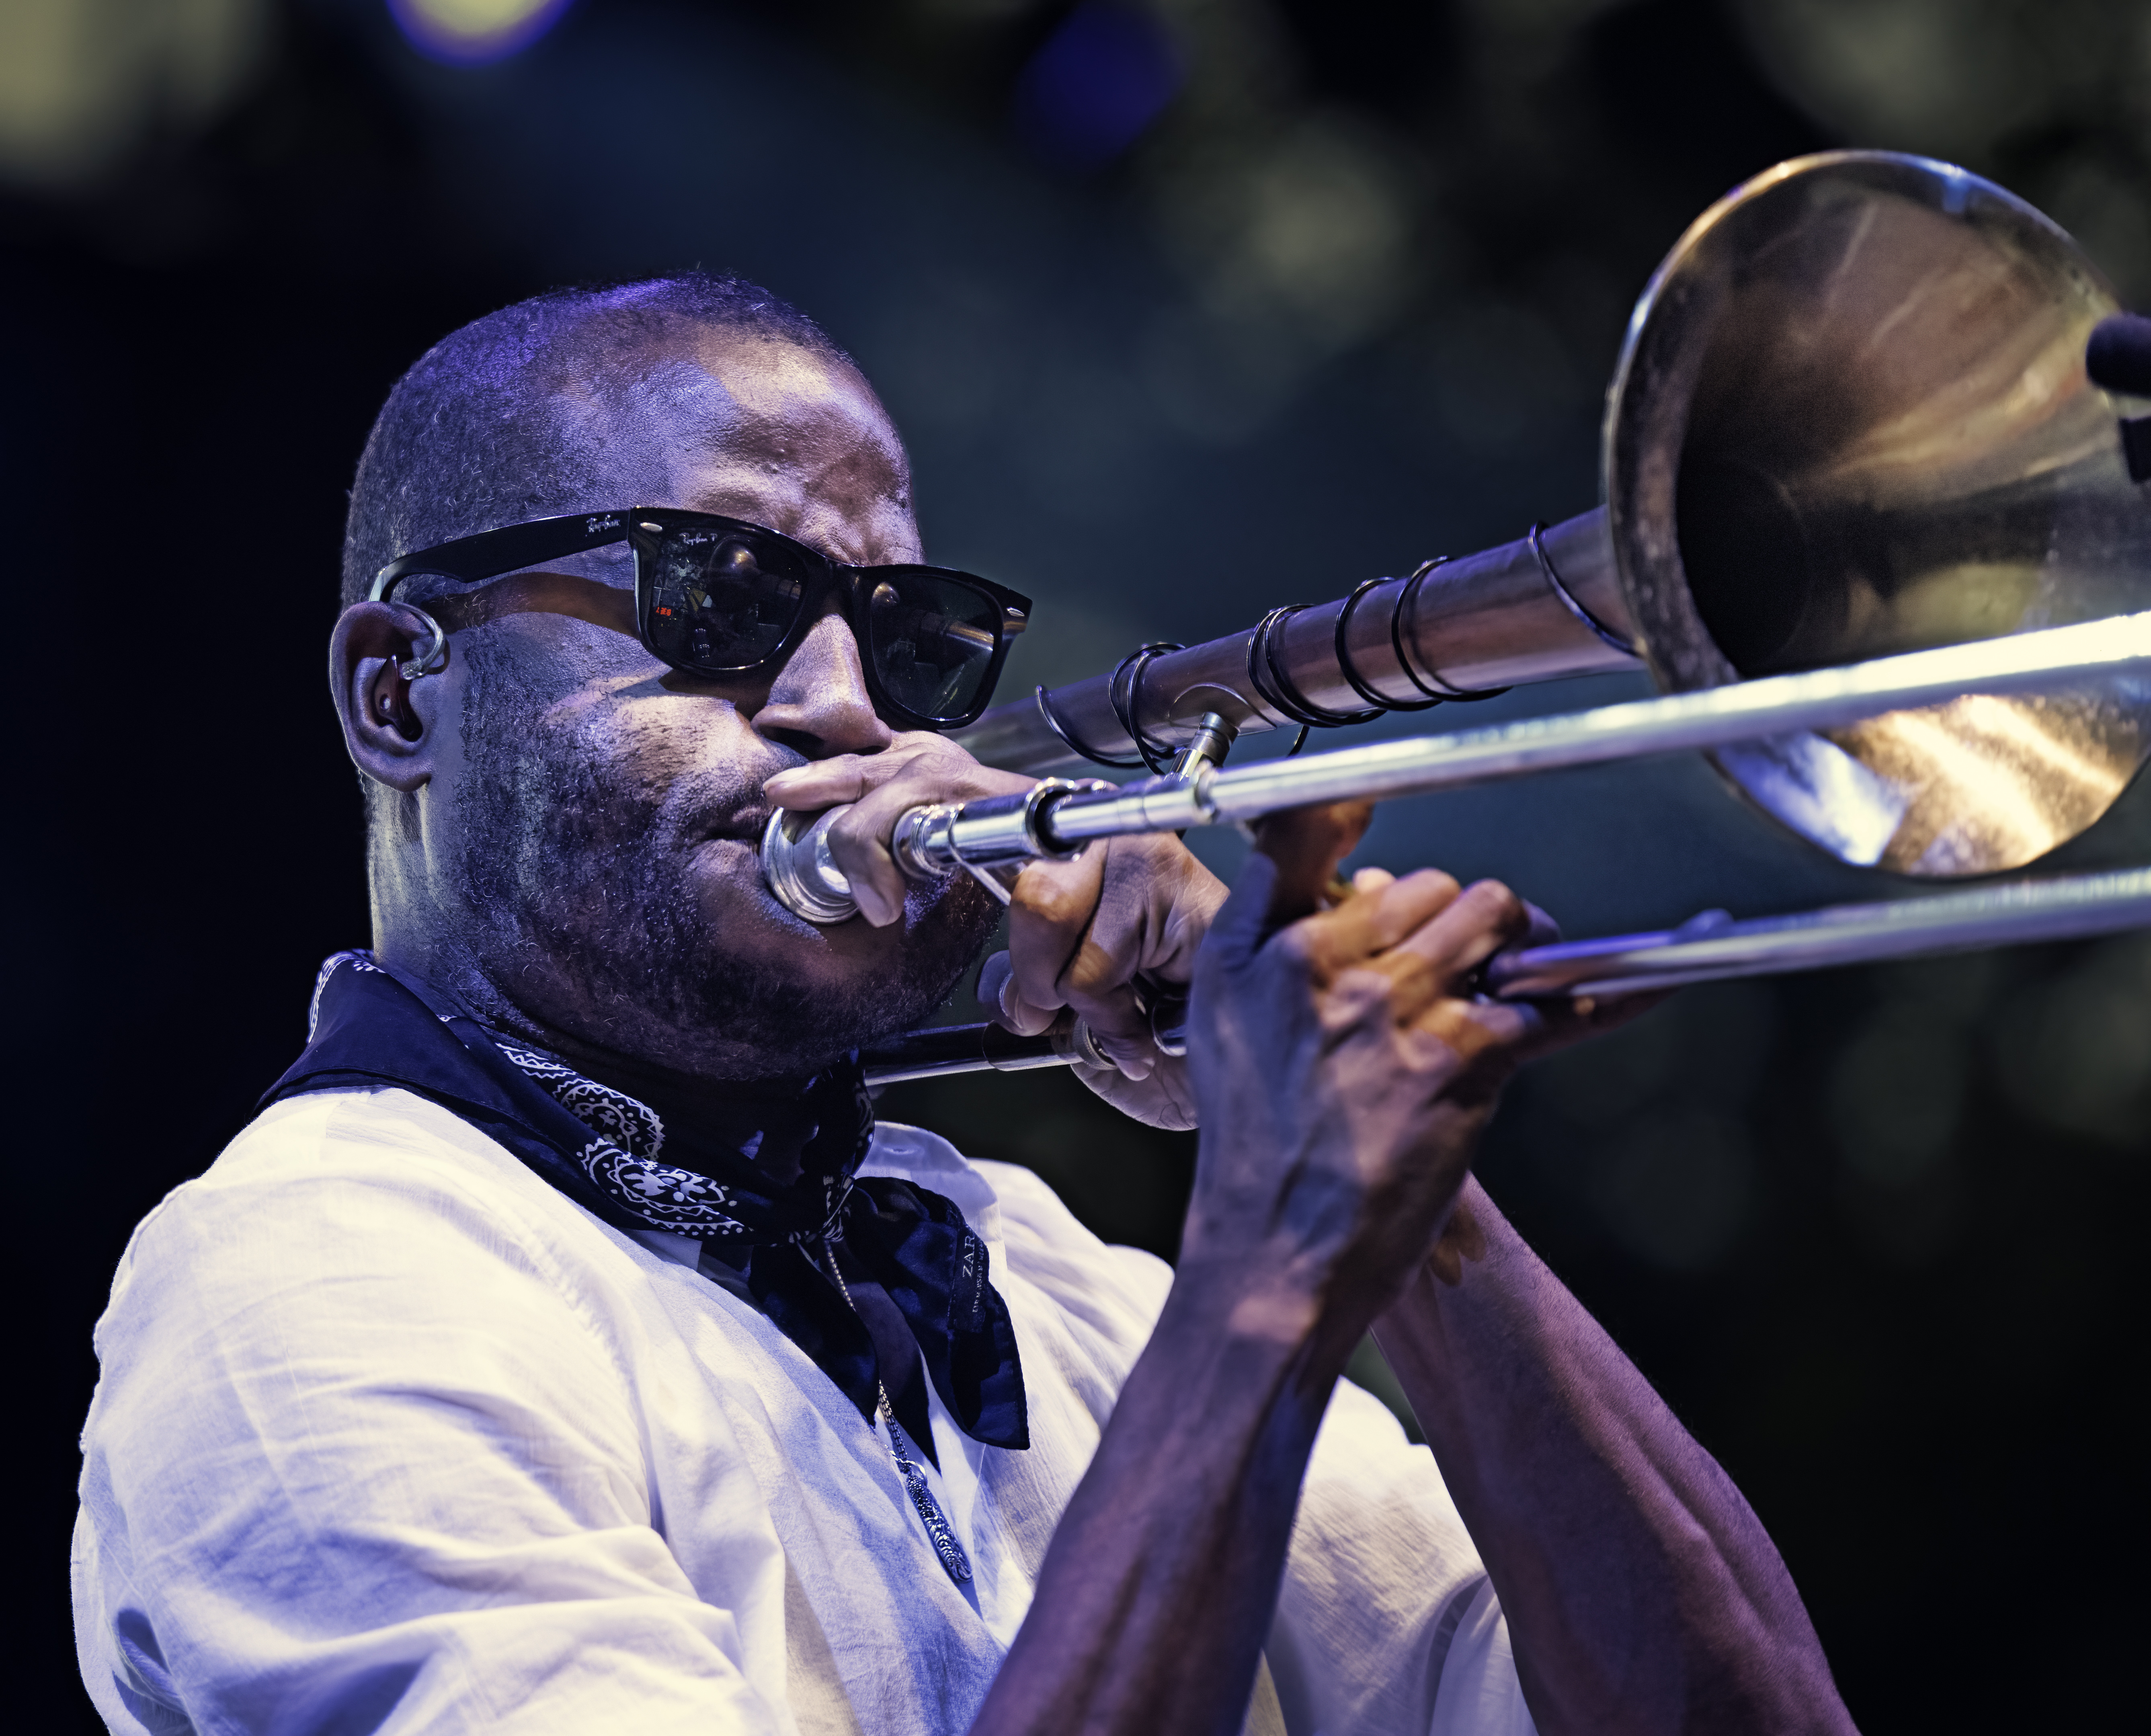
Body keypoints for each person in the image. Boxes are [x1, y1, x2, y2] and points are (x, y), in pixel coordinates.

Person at [72, 274, 1851, 1735]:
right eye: (723, 595)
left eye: (906, 633)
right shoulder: (303, 1282)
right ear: (401, 696)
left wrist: (1398, 1179)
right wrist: (1283, 1248)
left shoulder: (1042, 1266)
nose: (851, 705)